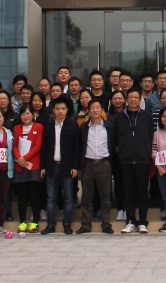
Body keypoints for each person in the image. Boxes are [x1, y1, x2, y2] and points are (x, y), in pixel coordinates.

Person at [114, 89, 154, 233]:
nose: (133, 100)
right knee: (128, 192)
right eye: (130, 97)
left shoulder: (147, 116)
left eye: (136, 97)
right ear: (126, 99)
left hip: (142, 159)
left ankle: (142, 221)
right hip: (126, 160)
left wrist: (147, 152)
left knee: (142, 192)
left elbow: (151, 135)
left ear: (140, 99)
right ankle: (130, 221)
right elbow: (116, 137)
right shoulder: (119, 117)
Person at [41, 98, 84, 235]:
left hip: (67, 167)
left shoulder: (73, 126)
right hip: (51, 166)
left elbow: (77, 148)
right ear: (53, 110)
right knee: (51, 197)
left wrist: (75, 166)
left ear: (67, 110)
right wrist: (43, 166)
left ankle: (67, 224)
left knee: (69, 197)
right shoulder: (48, 126)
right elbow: (44, 148)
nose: (60, 111)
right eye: (57, 109)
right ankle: (51, 224)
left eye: (63, 108)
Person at [78, 100, 115, 234]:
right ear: (89, 110)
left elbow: (113, 144)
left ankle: (106, 224)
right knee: (86, 197)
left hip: (104, 163)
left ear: (102, 110)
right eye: (92, 108)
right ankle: (85, 224)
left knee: (105, 196)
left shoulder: (109, 126)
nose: (95, 110)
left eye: (97, 107)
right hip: (88, 163)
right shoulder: (84, 127)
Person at [11, 106, 44, 234]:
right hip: (20, 166)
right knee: (22, 196)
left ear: (33, 115)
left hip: (33, 165)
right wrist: (19, 158)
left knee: (34, 195)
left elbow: (38, 146)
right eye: (23, 114)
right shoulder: (16, 128)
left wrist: (25, 158)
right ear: (20, 116)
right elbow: (14, 146)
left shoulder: (38, 127)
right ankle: (23, 222)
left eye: (28, 113)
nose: (26, 116)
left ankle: (35, 222)